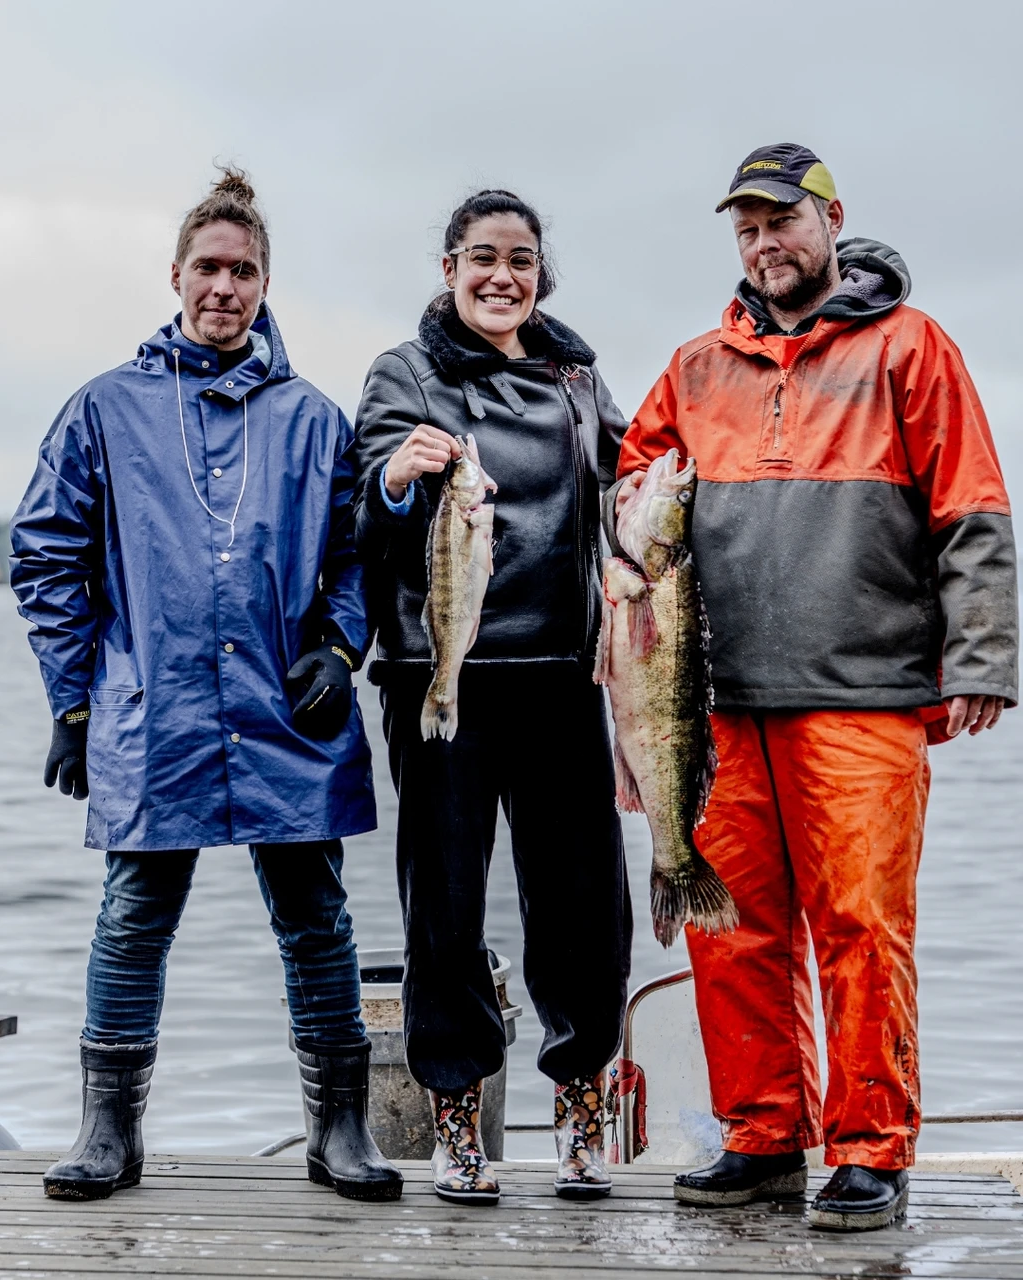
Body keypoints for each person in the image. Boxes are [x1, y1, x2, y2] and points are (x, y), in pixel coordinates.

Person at [607, 144, 1018, 1231]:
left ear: (831, 219)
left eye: (780, 220)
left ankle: (870, 1144)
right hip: (714, 702)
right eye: (744, 228)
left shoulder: (910, 346)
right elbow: (631, 498)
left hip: (863, 694)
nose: (762, 242)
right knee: (728, 926)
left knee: (858, 924)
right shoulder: (695, 368)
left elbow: (972, 507)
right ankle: (762, 1131)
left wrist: (979, 656)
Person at [10, 168, 401, 1204]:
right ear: (175, 274)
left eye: (244, 270)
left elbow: (357, 553)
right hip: (157, 710)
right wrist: (74, 696)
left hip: (286, 706)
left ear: (266, 282)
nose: (224, 286)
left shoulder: (314, 419)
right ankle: (108, 1130)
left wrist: (341, 645)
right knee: (135, 910)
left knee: (314, 912)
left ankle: (341, 1128)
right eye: (208, 268)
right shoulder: (105, 407)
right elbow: (44, 552)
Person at [354, 189, 633, 1204]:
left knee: (583, 910)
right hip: (444, 685)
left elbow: (640, 476)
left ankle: (577, 1112)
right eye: (482, 256)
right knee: (446, 909)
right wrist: (393, 477)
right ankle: (457, 1120)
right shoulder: (404, 372)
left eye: (519, 257)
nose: (501, 275)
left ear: (539, 272)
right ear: (448, 267)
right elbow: (362, 518)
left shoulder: (576, 377)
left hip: (563, 680)